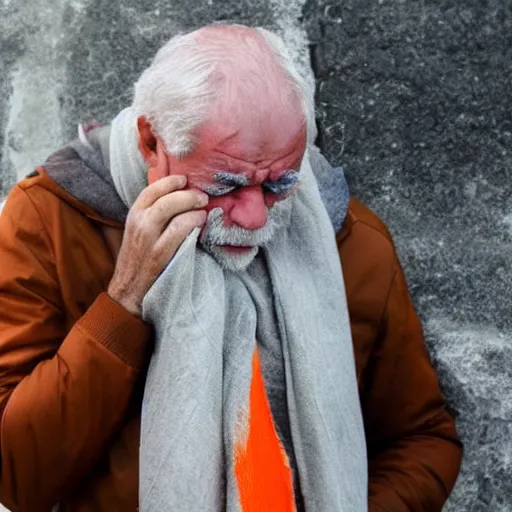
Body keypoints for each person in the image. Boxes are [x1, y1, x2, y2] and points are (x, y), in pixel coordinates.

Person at [0, 24, 461, 512]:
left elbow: (424, 439)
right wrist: (125, 301)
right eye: (225, 185)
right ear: (151, 141)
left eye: (280, 183)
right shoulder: (49, 223)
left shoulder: (347, 240)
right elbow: (15, 477)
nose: (256, 216)